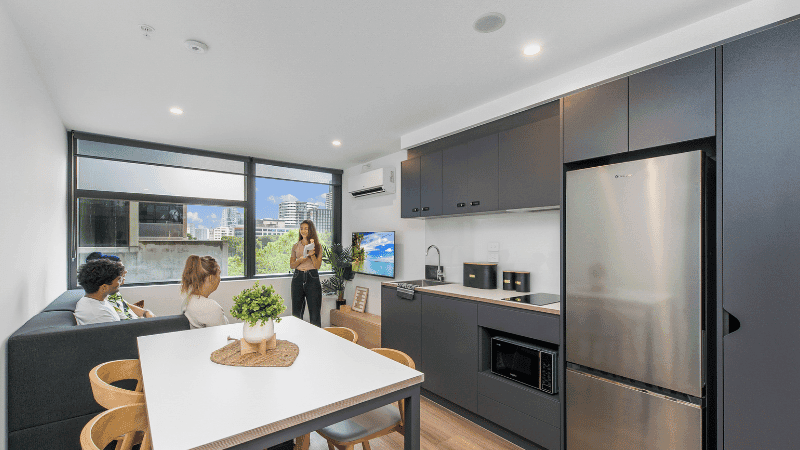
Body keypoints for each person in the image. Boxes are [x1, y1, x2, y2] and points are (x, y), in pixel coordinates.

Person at [84, 252, 154, 320]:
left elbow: (125, 305)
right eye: (121, 269)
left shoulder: (113, 292)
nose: (125, 271)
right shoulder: (104, 297)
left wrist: (145, 312)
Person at [74, 258, 128, 325]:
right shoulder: (102, 316)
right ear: (104, 287)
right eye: (119, 280)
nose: (121, 283)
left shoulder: (95, 300)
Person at [180, 255, 229, 329]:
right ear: (211, 278)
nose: (220, 279)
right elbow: (224, 336)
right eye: (219, 274)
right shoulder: (211, 307)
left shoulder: (187, 301)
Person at [290, 219, 323, 327]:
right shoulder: (295, 246)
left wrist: (312, 254)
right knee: (296, 314)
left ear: (311, 230)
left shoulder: (318, 246)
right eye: (301, 228)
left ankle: (316, 341)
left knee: (315, 315)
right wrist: (300, 260)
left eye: (306, 229)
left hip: (312, 278)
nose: (303, 231)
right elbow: (292, 265)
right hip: (297, 278)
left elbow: (317, 266)